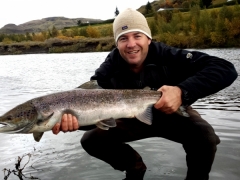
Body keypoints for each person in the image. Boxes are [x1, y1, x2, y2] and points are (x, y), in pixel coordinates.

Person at [52, 8, 238, 180]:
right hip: (130, 119)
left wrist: (182, 92)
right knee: (91, 140)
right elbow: (93, 114)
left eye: (137, 36)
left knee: (205, 136)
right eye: (123, 38)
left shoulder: (168, 55)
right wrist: (76, 123)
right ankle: (135, 169)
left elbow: (225, 69)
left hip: (172, 112)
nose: (131, 44)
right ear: (117, 43)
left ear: (148, 38)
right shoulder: (106, 72)